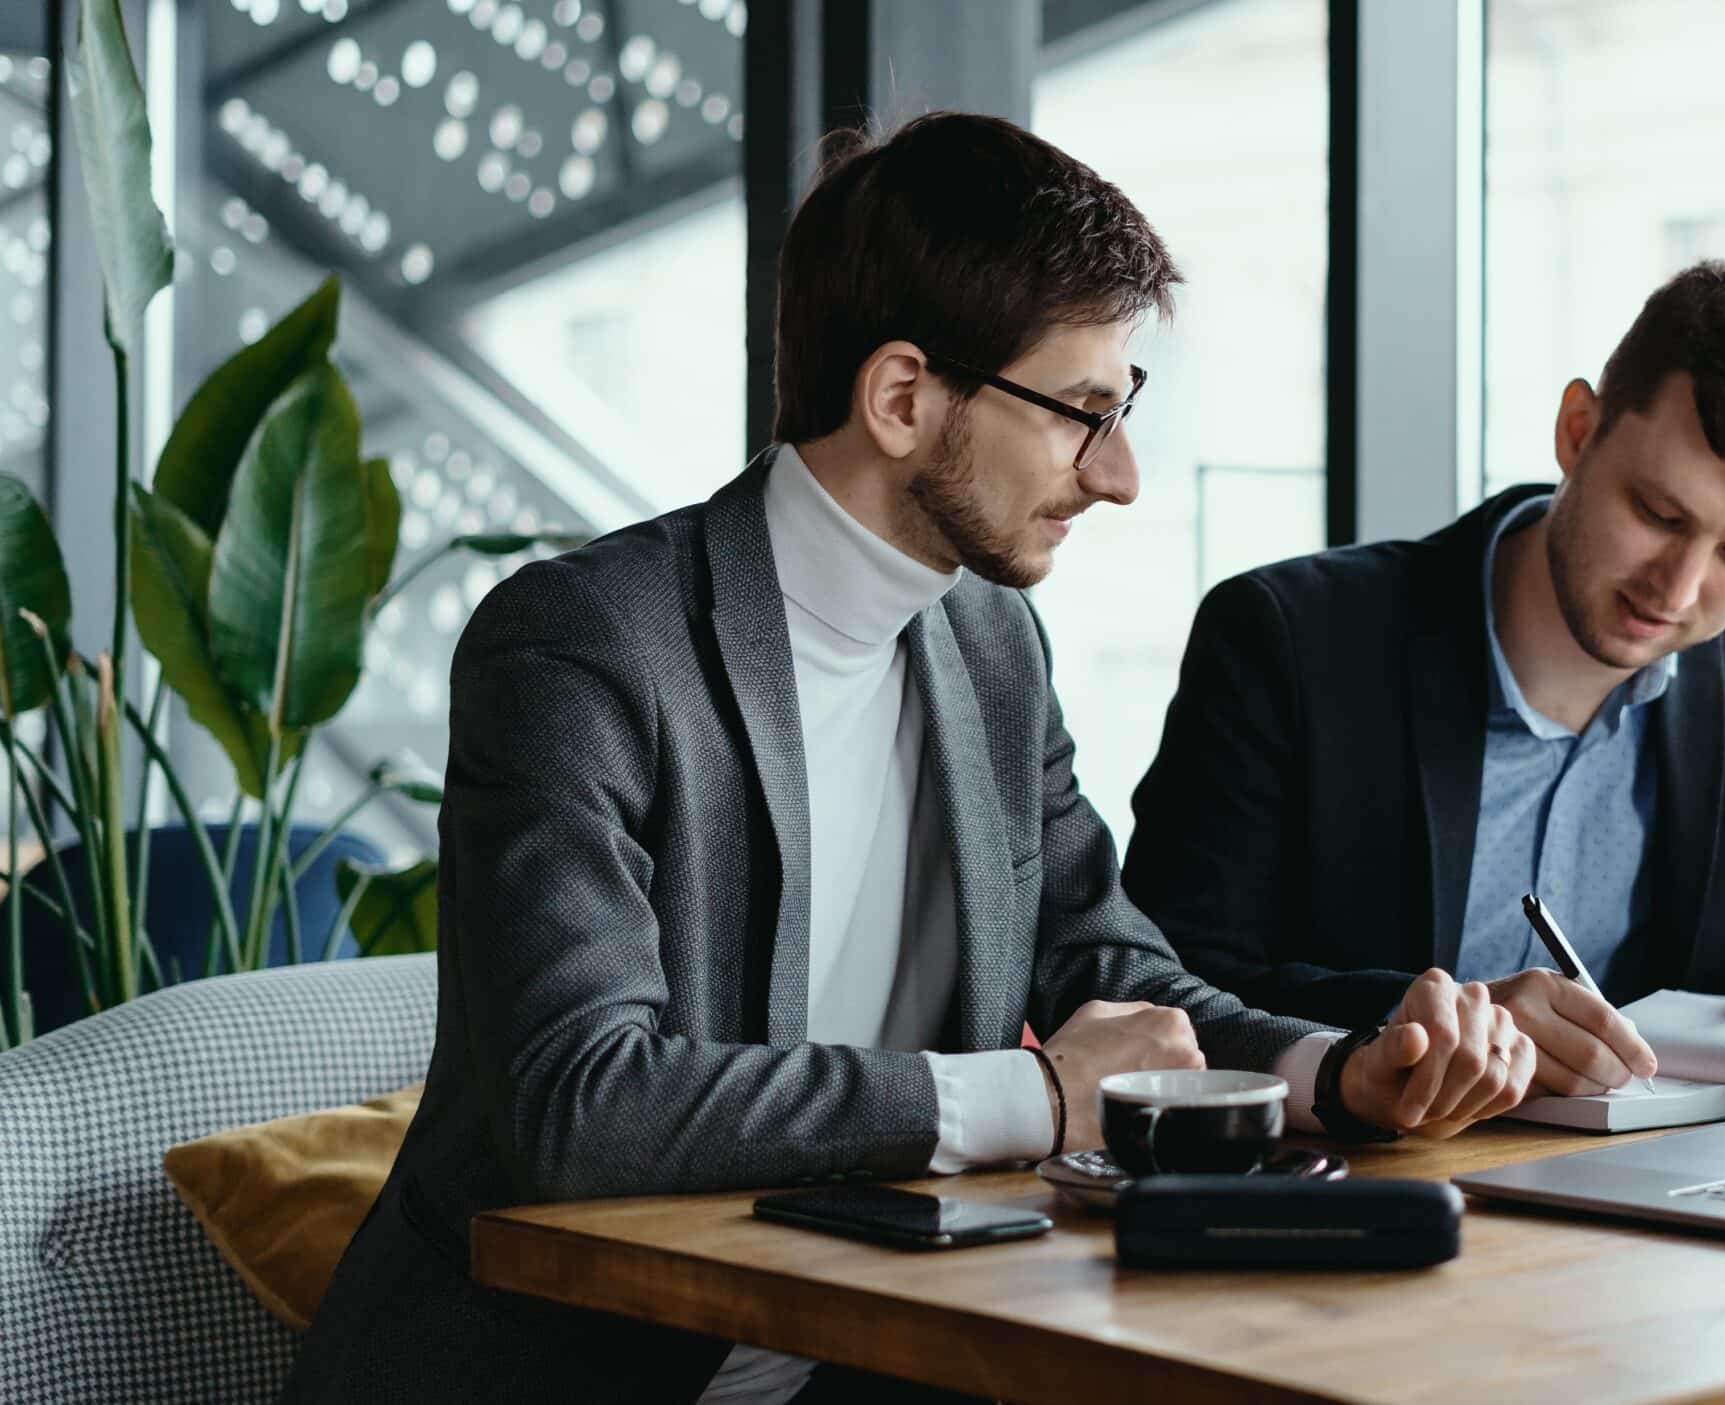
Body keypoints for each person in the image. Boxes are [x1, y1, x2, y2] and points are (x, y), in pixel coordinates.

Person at [287, 113, 1531, 1405]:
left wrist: (1338, 1070)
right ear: (900, 398)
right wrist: (1039, 1097)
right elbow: (581, 1105)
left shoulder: (992, 642)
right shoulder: (585, 646)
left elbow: (1108, 969)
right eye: (1081, 415)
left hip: (882, 1356)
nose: (1120, 476)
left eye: (1126, 410)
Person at [1123, 253, 1725, 1106]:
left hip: (1662, 1200)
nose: (1680, 589)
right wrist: (1418, 1022)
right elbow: (1165, 981)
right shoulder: (1289, 641)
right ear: (1577, 431)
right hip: (1366, 1189)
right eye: (1659, 515)